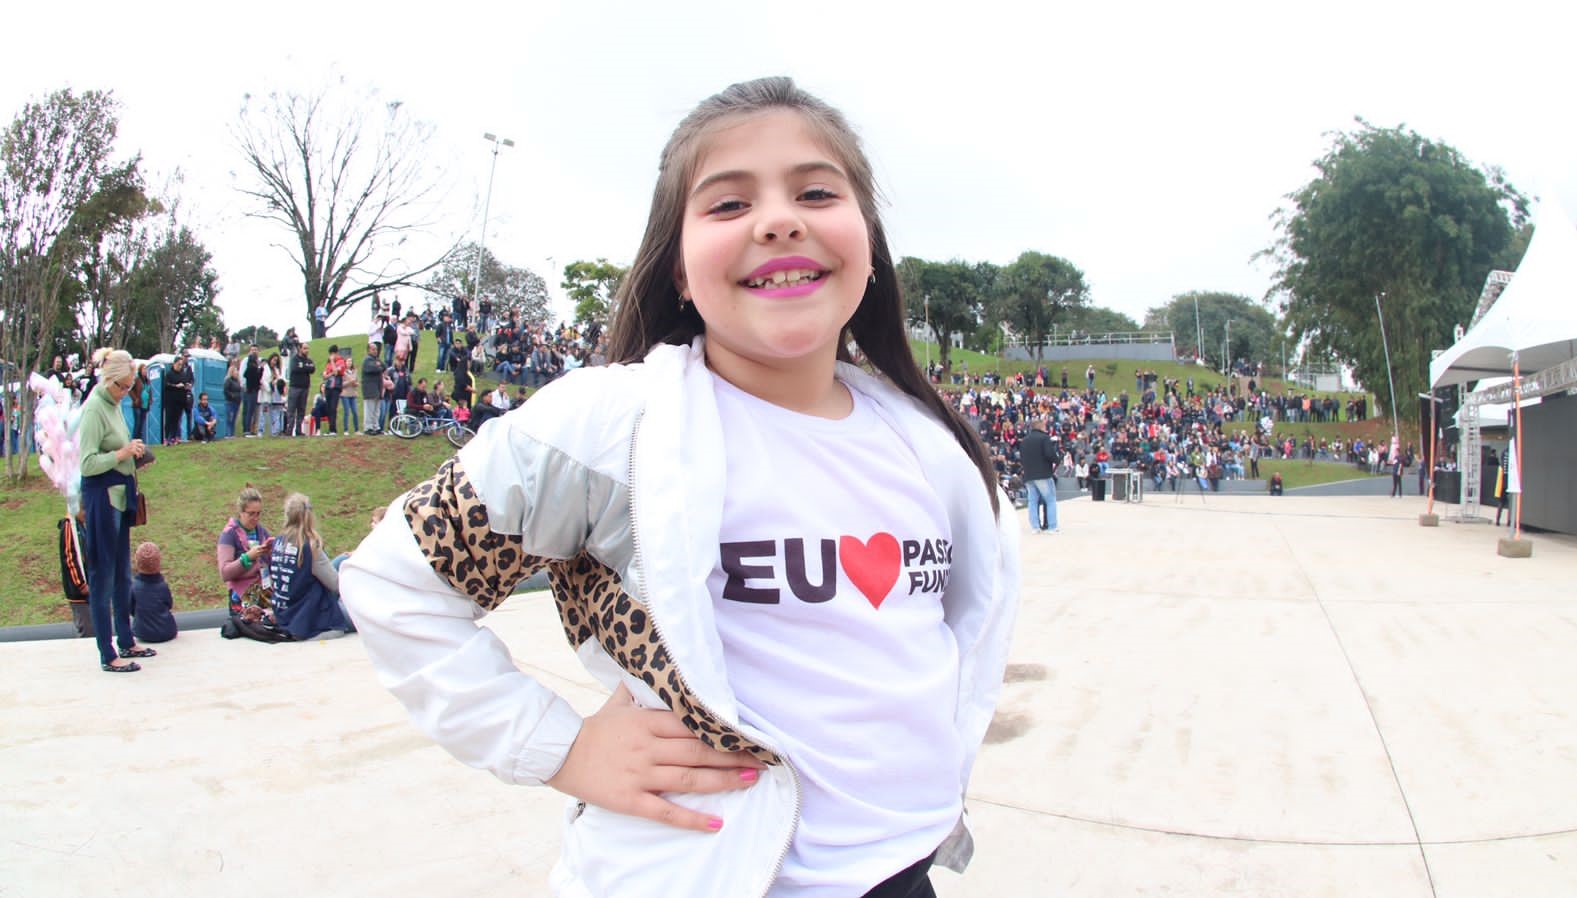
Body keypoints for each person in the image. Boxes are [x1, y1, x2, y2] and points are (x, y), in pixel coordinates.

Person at [342, 78, 1018, 898]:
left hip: (902, 874)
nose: (778, 218)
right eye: (728, 205)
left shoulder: (930, 445)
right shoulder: (610, 428)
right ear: (679, 273)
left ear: (867, 245)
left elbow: (949, 639)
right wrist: (556, 745)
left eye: (814, 191)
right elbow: (391, 582)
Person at [78, 349, 156, 672]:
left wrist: (135, 453)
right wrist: (122, 453)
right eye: (122, 386)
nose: (126, 392)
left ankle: (126, 639)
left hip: (121, 498)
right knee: (103, 575)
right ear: (109, 381)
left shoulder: (114, 404)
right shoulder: (95, 408)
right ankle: (107, 652)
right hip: (101, 499)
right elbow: (87, 462)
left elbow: (118, 449)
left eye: (129, 386)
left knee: (123, 572)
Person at [268, 493, 355, 640]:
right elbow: (336, 585)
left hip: (284, 610)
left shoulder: (278, 542)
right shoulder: (309, 546)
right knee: (365, 616)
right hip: (308, 615)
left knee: (343, 559)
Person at [217, 486, 273, 616]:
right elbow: (224, 573)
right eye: (251, 514)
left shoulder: (261, 532)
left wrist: (270, 552)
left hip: (264, 588)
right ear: (241, 512)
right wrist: (247, 558)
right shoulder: (229, 534)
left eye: (258, 513)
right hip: (241, 594)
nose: (255, 518)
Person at [131, 541, 178, 644]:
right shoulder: (163, 586)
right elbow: (169, 604)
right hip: (167, 631)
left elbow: (131, 609)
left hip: (142, 633)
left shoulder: (134, 587)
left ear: (137, 563)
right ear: (159, 562)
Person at [1019, 416, 1059, 534]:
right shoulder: (1044, 438)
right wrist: (1057, 460)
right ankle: (1052, 526)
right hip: (1042, 474)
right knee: (1050, 499)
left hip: (1029, 474)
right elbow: (1049, 454)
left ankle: (1035, 527)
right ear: (1041, 426)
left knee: (1033, 501)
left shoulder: (1025, 440)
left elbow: (1022, 457)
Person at [161, 354, 193, 444]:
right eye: (178, 364)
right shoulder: (169, 374)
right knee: (169, 420)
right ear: (174, 364)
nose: (180, 366)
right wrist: (176, 386)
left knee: (176, 420)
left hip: (180, 401)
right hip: (170, 401)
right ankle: (166, 438)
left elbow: (186, 382)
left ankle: (174, 437)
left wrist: (187, 386)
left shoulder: (182, 374)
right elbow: (166, 385)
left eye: (181, 365)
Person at [287, 342, 315, 436]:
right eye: (304, 348)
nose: (306, 350)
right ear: (300, 349)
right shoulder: (294, 359)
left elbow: (312, 369)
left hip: (305, 388)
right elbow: (295, 369)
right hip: (295, 387)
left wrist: (303, 366)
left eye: (307, 348)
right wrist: (305, 367)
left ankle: (298, 430)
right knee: (291, 409)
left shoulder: (309, 360)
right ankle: (289, 430)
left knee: (301, 410)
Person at [361, 342, 386, 435]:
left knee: (376, 409)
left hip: (377, 388)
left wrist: (378, 365)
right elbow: (372, 369)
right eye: (373, 349)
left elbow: (384, 367)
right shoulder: (367, 360)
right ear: (368, 350)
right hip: (369, 389)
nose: (375, 351)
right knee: (370, 409)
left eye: (376, 349)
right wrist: (378, 366)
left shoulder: (377, 359)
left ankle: (376, 426)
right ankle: (368, 427)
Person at [241, 345, 264, 436]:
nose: (254, 351)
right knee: (248, 410)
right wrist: (244, 385)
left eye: (256, 350)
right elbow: (244, 374)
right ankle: (246, 429)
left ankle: (249, 429)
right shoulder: (248, 362)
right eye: (252, 350)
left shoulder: (256, 362)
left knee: (251, 410)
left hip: (253, 388)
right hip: (250, 388)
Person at [222, 359, 243, 438]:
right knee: (229, 418)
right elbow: (226, 391)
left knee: (234, 418)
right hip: (230, 402)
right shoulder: (228, 381)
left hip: (237, 402)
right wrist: (232, 396)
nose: (237, 372)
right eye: (235, 371)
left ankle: (232, 433)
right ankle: (228, 433)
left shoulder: (237, 381)